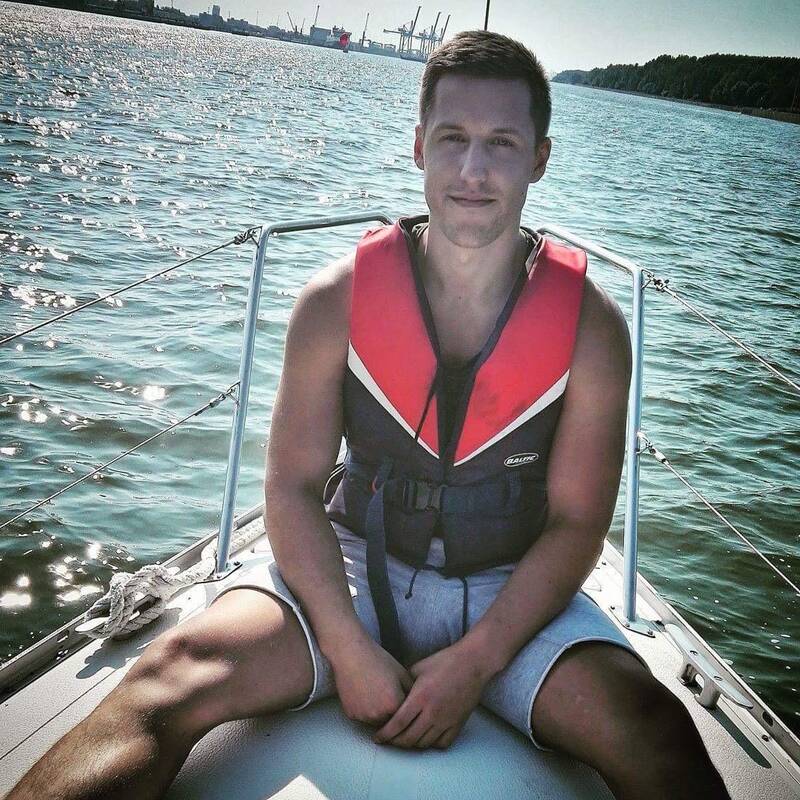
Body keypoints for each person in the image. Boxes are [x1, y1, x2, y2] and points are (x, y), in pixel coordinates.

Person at [7, 30, 730, 800]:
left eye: (501, 143)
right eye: (452, 138)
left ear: (539, 159)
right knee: (170, 677)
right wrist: (345, 646)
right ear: (419, 147)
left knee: (656, 732)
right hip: (350, 565)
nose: (473, 170)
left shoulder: (592, 330)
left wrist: (478, 661)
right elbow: (292, 488)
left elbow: (578, 523)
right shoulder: (334, 302)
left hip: (509, 586)